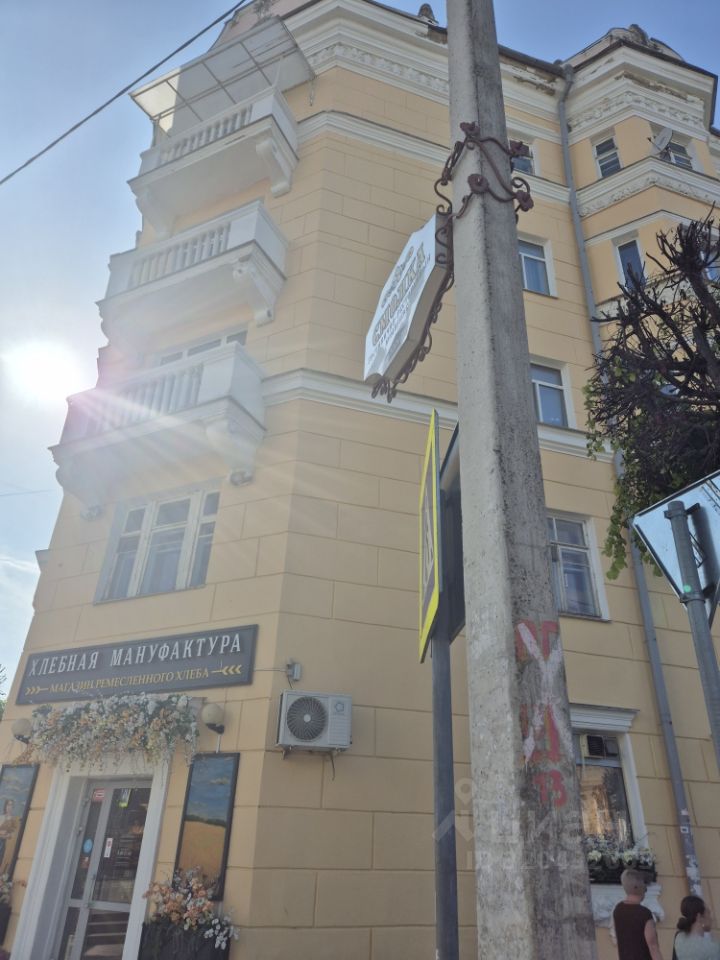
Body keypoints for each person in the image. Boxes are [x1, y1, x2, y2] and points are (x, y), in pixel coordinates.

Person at [613, 868, 664, 960]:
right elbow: (653, 947)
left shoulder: (618, 909)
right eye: (644, 883)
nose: (645, 888)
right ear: (637, 887)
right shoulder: (644, 914)